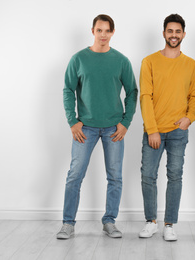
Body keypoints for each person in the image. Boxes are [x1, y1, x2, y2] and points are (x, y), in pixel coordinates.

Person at [57, 14, 138, 239]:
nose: (103, 35)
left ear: (113, 32)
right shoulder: (79, 59)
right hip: (85, 129)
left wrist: (125, 122)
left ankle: (109, 221)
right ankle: (68, 223)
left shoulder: (121, 60)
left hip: (114, 128)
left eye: (107, 30)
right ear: (93, 31)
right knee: (75, 175)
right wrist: (72, 121)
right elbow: (67, 90)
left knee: (115, 177)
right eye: (99, 30)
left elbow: (132, 92)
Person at [138, 14, 195, 241]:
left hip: (178, 131)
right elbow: (145, 96)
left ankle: (169, 224)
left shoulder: (191, 64)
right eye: (170, 31)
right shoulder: (149, 61)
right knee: (148, 175)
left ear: (183, 34)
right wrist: (152, 129)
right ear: (163, 33)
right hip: (154, 130)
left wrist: (189, 117)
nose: (174, 35)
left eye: (178, 31)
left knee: (175, 176)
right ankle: (150, 221)